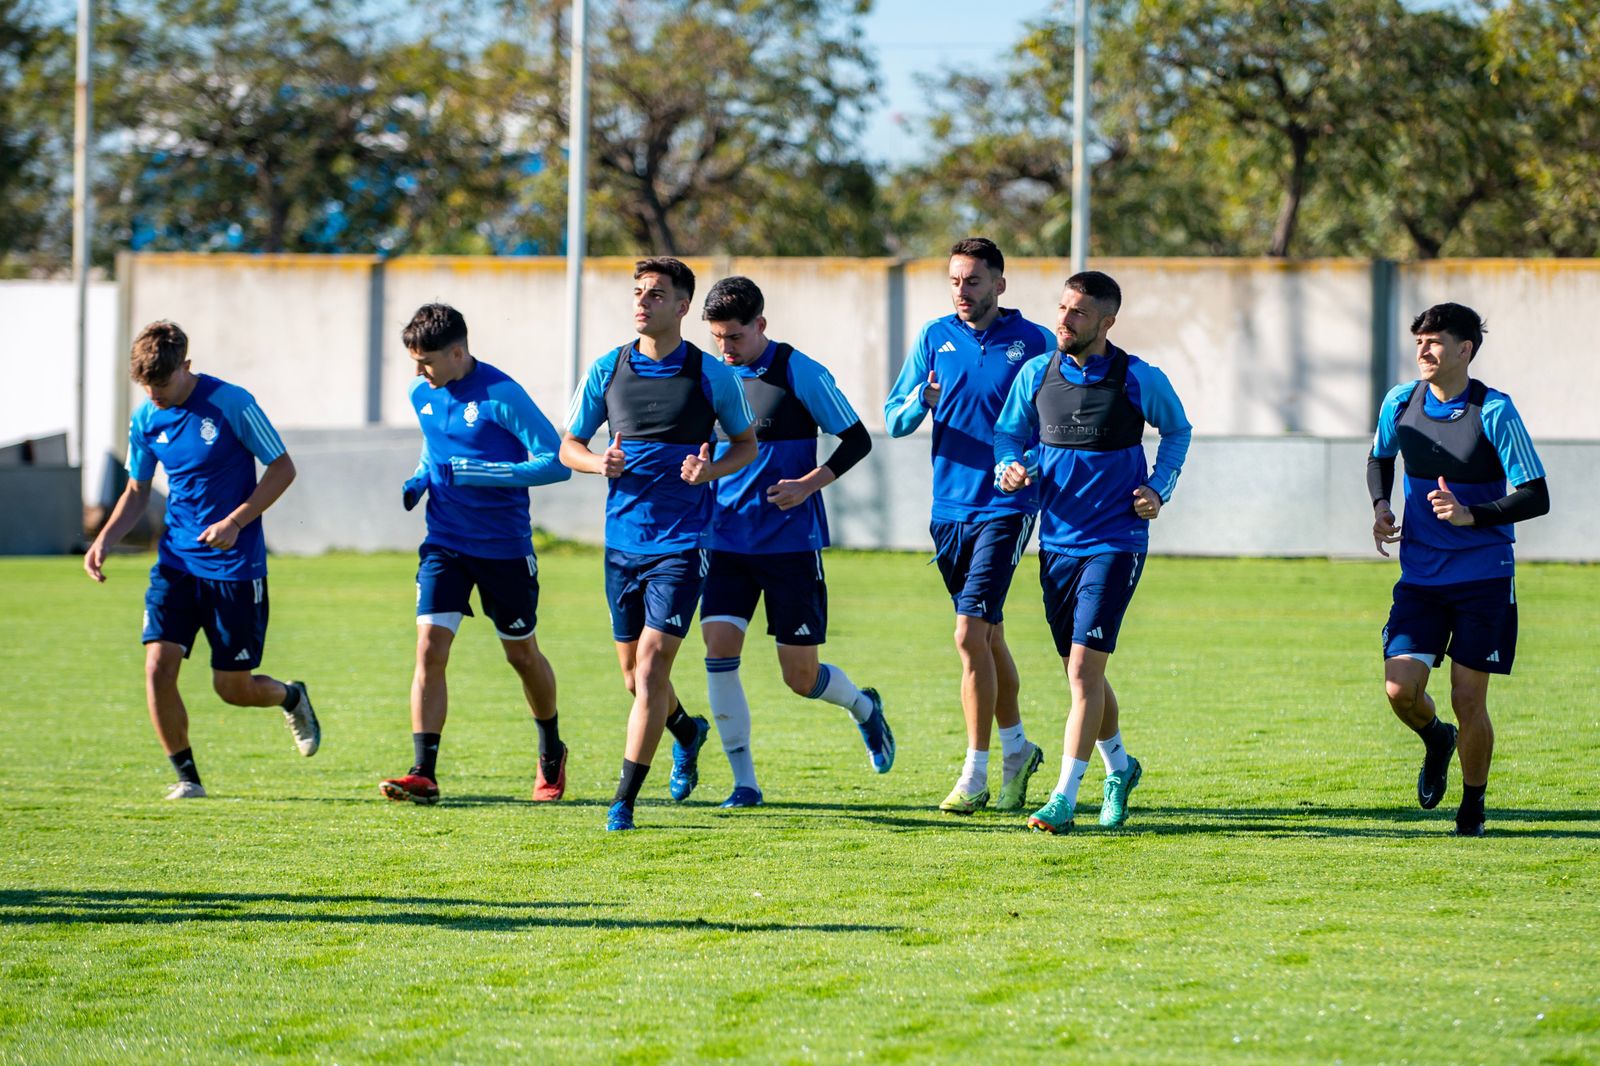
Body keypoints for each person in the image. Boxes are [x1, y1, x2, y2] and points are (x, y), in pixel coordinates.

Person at [560, 257, 758, 831]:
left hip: (683, 542)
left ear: (682, 307)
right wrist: (600, 463)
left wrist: (709, 471)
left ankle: (622, 800)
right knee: (633, 677)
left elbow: (745, 444)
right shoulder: (606, 369)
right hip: (622, 543)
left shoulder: (710, 375)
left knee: (650, 670)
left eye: (656, 294)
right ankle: (687, 730)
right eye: (638, 293)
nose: (643, 302)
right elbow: (568, 445)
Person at [83, 320, 319, 798]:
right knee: (157, 666)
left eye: (163, 385)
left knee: (232, 689)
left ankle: (290, 696)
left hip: (235, 568)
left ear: (186, 368)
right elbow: (136, 489)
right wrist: (105, 538)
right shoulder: (146, 418)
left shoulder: (232, 403)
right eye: (146, 387)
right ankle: (187, 778)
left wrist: (236, 521)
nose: (154, 396)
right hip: (175, 564)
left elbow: (283, 467)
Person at [993, 271, 1191, 834]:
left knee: (1083, 671)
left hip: (1116, 540)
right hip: (1055, 541)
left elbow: (1177, 431)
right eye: (1062, 307)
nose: (1064, 319)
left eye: (1078, 313)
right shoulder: (1036, 372)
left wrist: (1159, 488)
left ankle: (1063, 797)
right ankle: (1120, 769)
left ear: (1107, 322)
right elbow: (1009, 437)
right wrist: (1009, 466)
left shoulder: (1138, 378)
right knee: (1087, 678)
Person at [696, 276, 893, 807]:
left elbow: (856, 439)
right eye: (717, 337)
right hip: (726, 542)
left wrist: (810, 483)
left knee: (800, 678)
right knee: (718, 649)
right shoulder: (710, 377)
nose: (725, 348)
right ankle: (745, 783)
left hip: (790, 545)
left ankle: (863, 707)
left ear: (760, 325)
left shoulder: (798, 371)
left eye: (734, 337)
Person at [883, 237, 1054, 815]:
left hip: (1006, 508)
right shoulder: (934, 338)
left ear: (1000, 284)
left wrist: (1025, 467)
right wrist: (919, 403)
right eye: (955, 280)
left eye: (973, 280)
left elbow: (1059, 427)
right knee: (988, 636)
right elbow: (894, 418)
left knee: (966, 634)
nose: (962, 290)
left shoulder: (1035, 343)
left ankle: (974, 773)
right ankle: (1018, 750)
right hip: (948, 510)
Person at [378, 304, 571, 806]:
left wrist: (485, 473)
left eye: (427, 361)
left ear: (458, 352)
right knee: (428, 650)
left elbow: (556, 463)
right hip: (444, 543)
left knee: (521, 654)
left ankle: (551, 748)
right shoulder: (422, 391)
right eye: (414, 361)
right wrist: (420, 477)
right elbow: (435, 445)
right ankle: (423, 772)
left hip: (504, 549)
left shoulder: (501, 395)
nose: (418, 372)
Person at [1368, 303, 1549, 837]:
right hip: (1421, 577)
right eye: (1418, 341)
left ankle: (1472, 806)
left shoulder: (1495, 410)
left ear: (1465, 350)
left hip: (1483, 578)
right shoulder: (1401, 401)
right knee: (1400, 692)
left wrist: (1474, 515)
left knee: (1469, 698)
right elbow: (1380, 457)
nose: (1422, 351)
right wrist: (1381, 507)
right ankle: (1436, 739)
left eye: (1435, 342)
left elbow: (1536, 495)